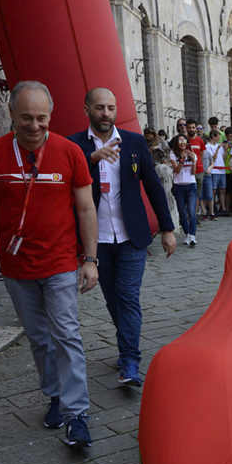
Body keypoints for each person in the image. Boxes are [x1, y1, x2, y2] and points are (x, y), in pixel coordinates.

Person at [0, 80, 98, 447]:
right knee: (39, 338)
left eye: (42, 117)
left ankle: (77, 415)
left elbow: (86, 208)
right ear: (10, 113)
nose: (35, 125)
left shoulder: (70, 151)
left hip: (60, 262)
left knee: (67, 335)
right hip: (15, 267)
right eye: (26, 117)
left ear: (50, 116)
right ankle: (55, 396)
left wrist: (90, 259)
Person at [68, 87, 177, 387]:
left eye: (111, 108)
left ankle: (130, 360)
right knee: (113, 299)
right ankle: (125, 345)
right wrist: (91, 159)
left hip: (131, 236)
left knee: (128, 297)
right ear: (87, 109)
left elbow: (153, 186)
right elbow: (64, 182)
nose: (106, 113)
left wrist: (167, 228)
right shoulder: (73, 146)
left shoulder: (133, 142)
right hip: (96, 241)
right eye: (100, 108)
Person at [168, 134, 198, 246]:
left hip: (191, 184)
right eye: (180, 141)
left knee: (191, 211)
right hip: (179, 185)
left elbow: (193, 172)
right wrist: (182, 159)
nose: (182, 143)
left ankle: (193, 235)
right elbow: (177, 170)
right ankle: (187, 234)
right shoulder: (173, 154)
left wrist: (193, 160)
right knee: (182, 211)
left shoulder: (192, 154)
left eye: (184, 141)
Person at [185, 119, 207, 218]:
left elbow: (201, 154)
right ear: (186, 128)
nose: (191, 129)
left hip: (198, 170)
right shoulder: (184, 140)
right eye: (189, 127)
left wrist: (197, 162)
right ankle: (186, 215)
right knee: (186, 194)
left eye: (193, 127)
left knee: (196, 194)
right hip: (186, 171)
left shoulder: (200, 140)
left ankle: (194, 215)